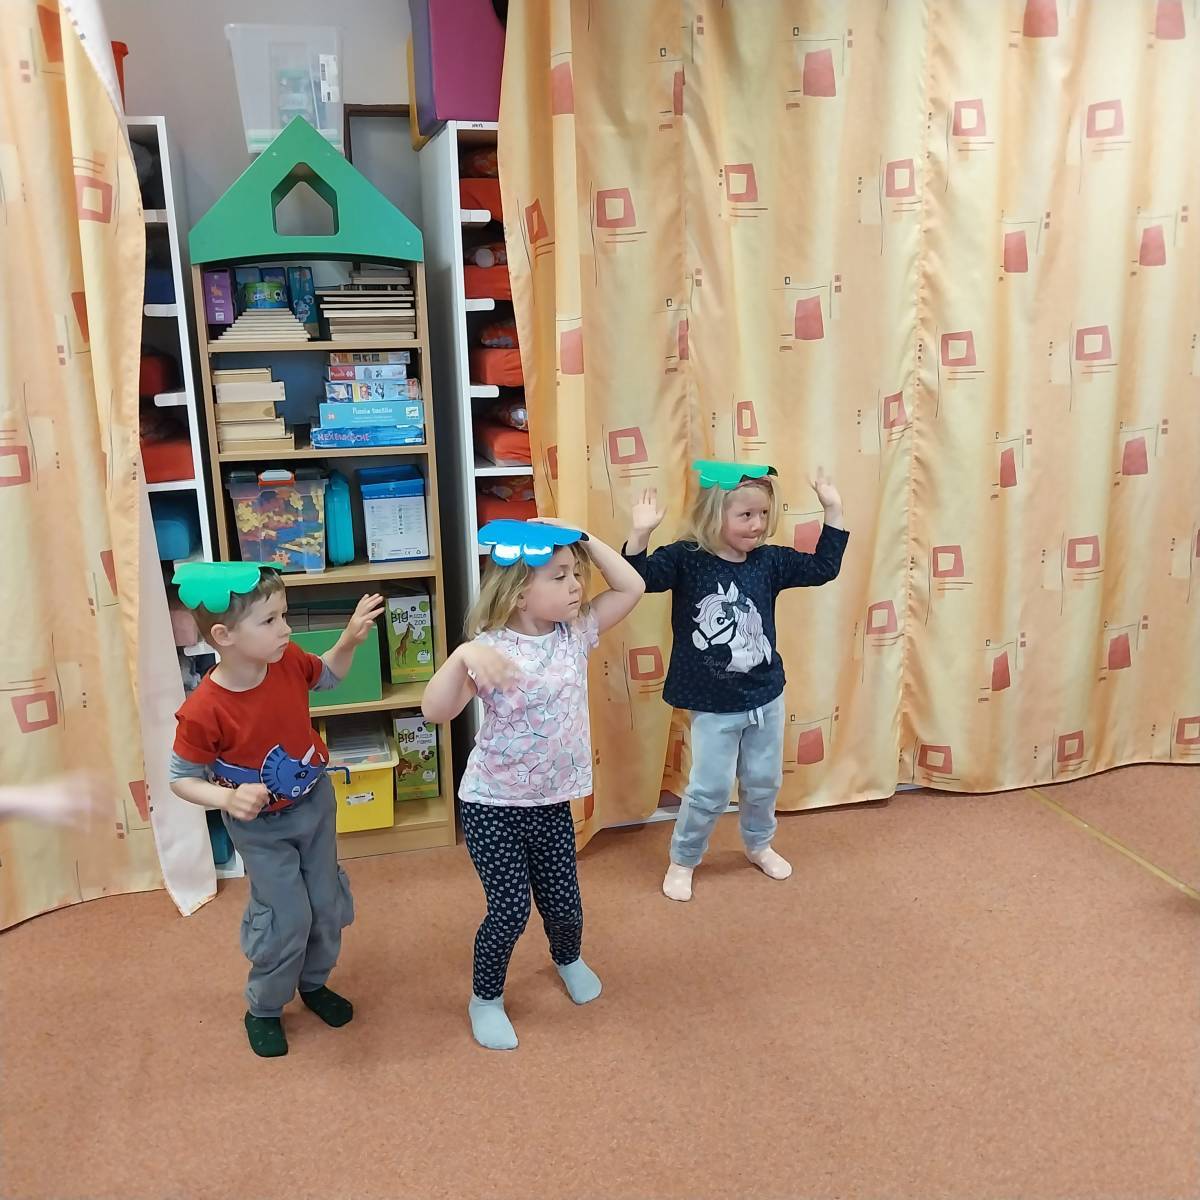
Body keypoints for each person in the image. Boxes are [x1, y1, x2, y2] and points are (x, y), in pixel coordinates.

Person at [422, 518, 645, 1051]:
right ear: (520, 593)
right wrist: (462, 655)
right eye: (560, 576)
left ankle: (567, 958)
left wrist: (583, 538)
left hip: (550, 802)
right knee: (510, 911)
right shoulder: (489, 648)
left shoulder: (576, 633)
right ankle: (485, 998)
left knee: (564, 903)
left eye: (576, 574)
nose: (576, 585)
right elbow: (435, 711)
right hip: (492, 805)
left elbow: (632, 586)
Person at [167, 562, 383, 1058]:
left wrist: (348, 640)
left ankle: (314, 983)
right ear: (223, 636)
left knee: (325, 903)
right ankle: (264, 1007)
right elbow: (180, 779)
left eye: (283, 615)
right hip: (261, 829)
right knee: (288, 915)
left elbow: (328, 675)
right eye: (269, 620)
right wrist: (226, 797)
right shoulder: (204, 709)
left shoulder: (287, 662)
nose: (285, 629)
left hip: (314, 805)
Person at [623, 461, 849, 902]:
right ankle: (684, 859)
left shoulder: (769, 561)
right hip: (712, 704)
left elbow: (824, 567)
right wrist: (640, 534)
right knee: (708, 788)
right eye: (745, 515)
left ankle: (759, 844)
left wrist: (833, 509)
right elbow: (639, 580)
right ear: (715, 514)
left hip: (765, 697)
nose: (757, 524)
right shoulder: (686, 559)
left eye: (763, 514)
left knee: (763, 781)